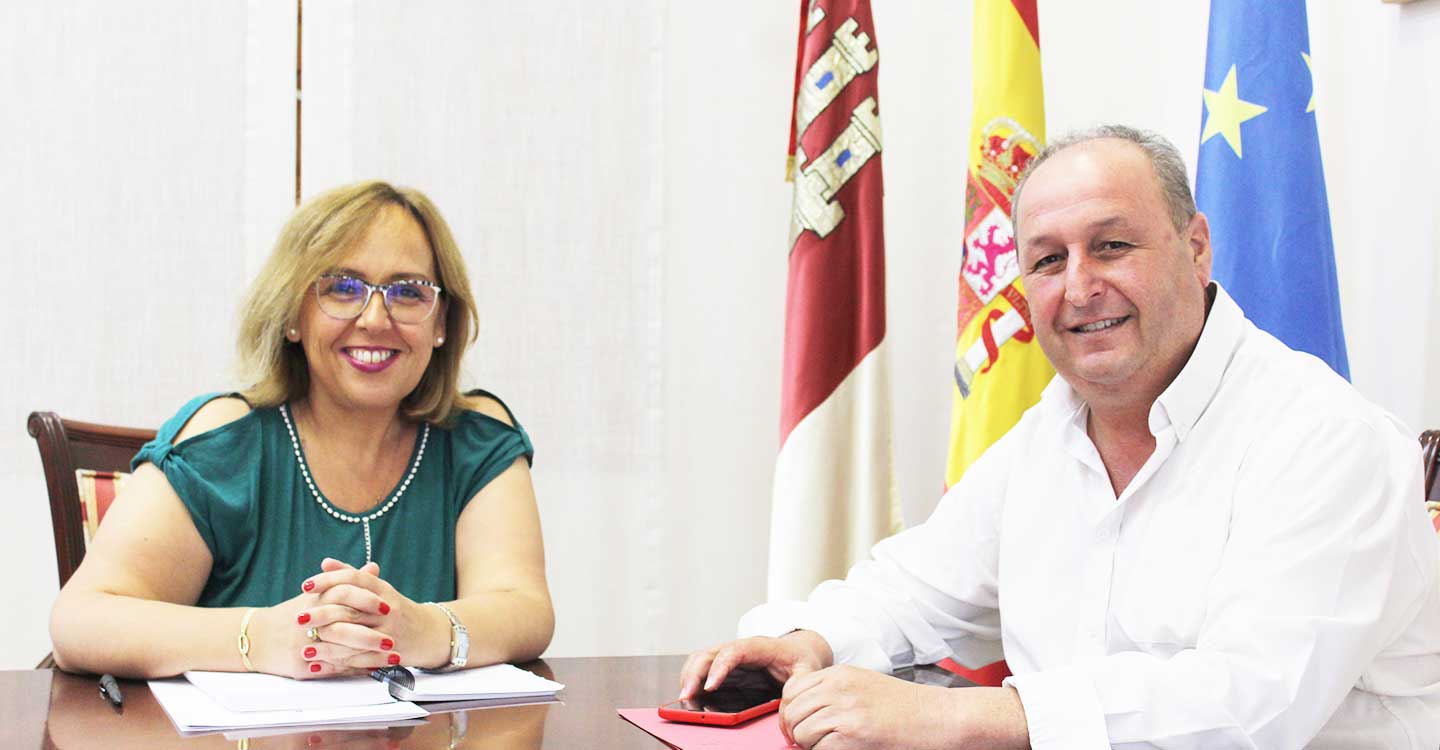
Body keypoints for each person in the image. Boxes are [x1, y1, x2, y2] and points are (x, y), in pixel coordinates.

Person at [679, 126, 1440, 749]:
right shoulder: (1051, 434)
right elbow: (913, 589)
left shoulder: (1326, 440)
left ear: (1197, 246)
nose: (1078, 287)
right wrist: (809, 639)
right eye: (1048, 260)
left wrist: (956, 717)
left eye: (1112, 246)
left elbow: (1250, 707)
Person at [50, 181, 553, 679]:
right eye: (341, 287)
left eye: (407, 292)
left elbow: (524, 608)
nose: (375, 319)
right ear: (293, 314)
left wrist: (421, 629)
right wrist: (261, 639)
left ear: (441, 322)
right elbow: (81, 622)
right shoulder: (225, 443)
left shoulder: (476, 440)